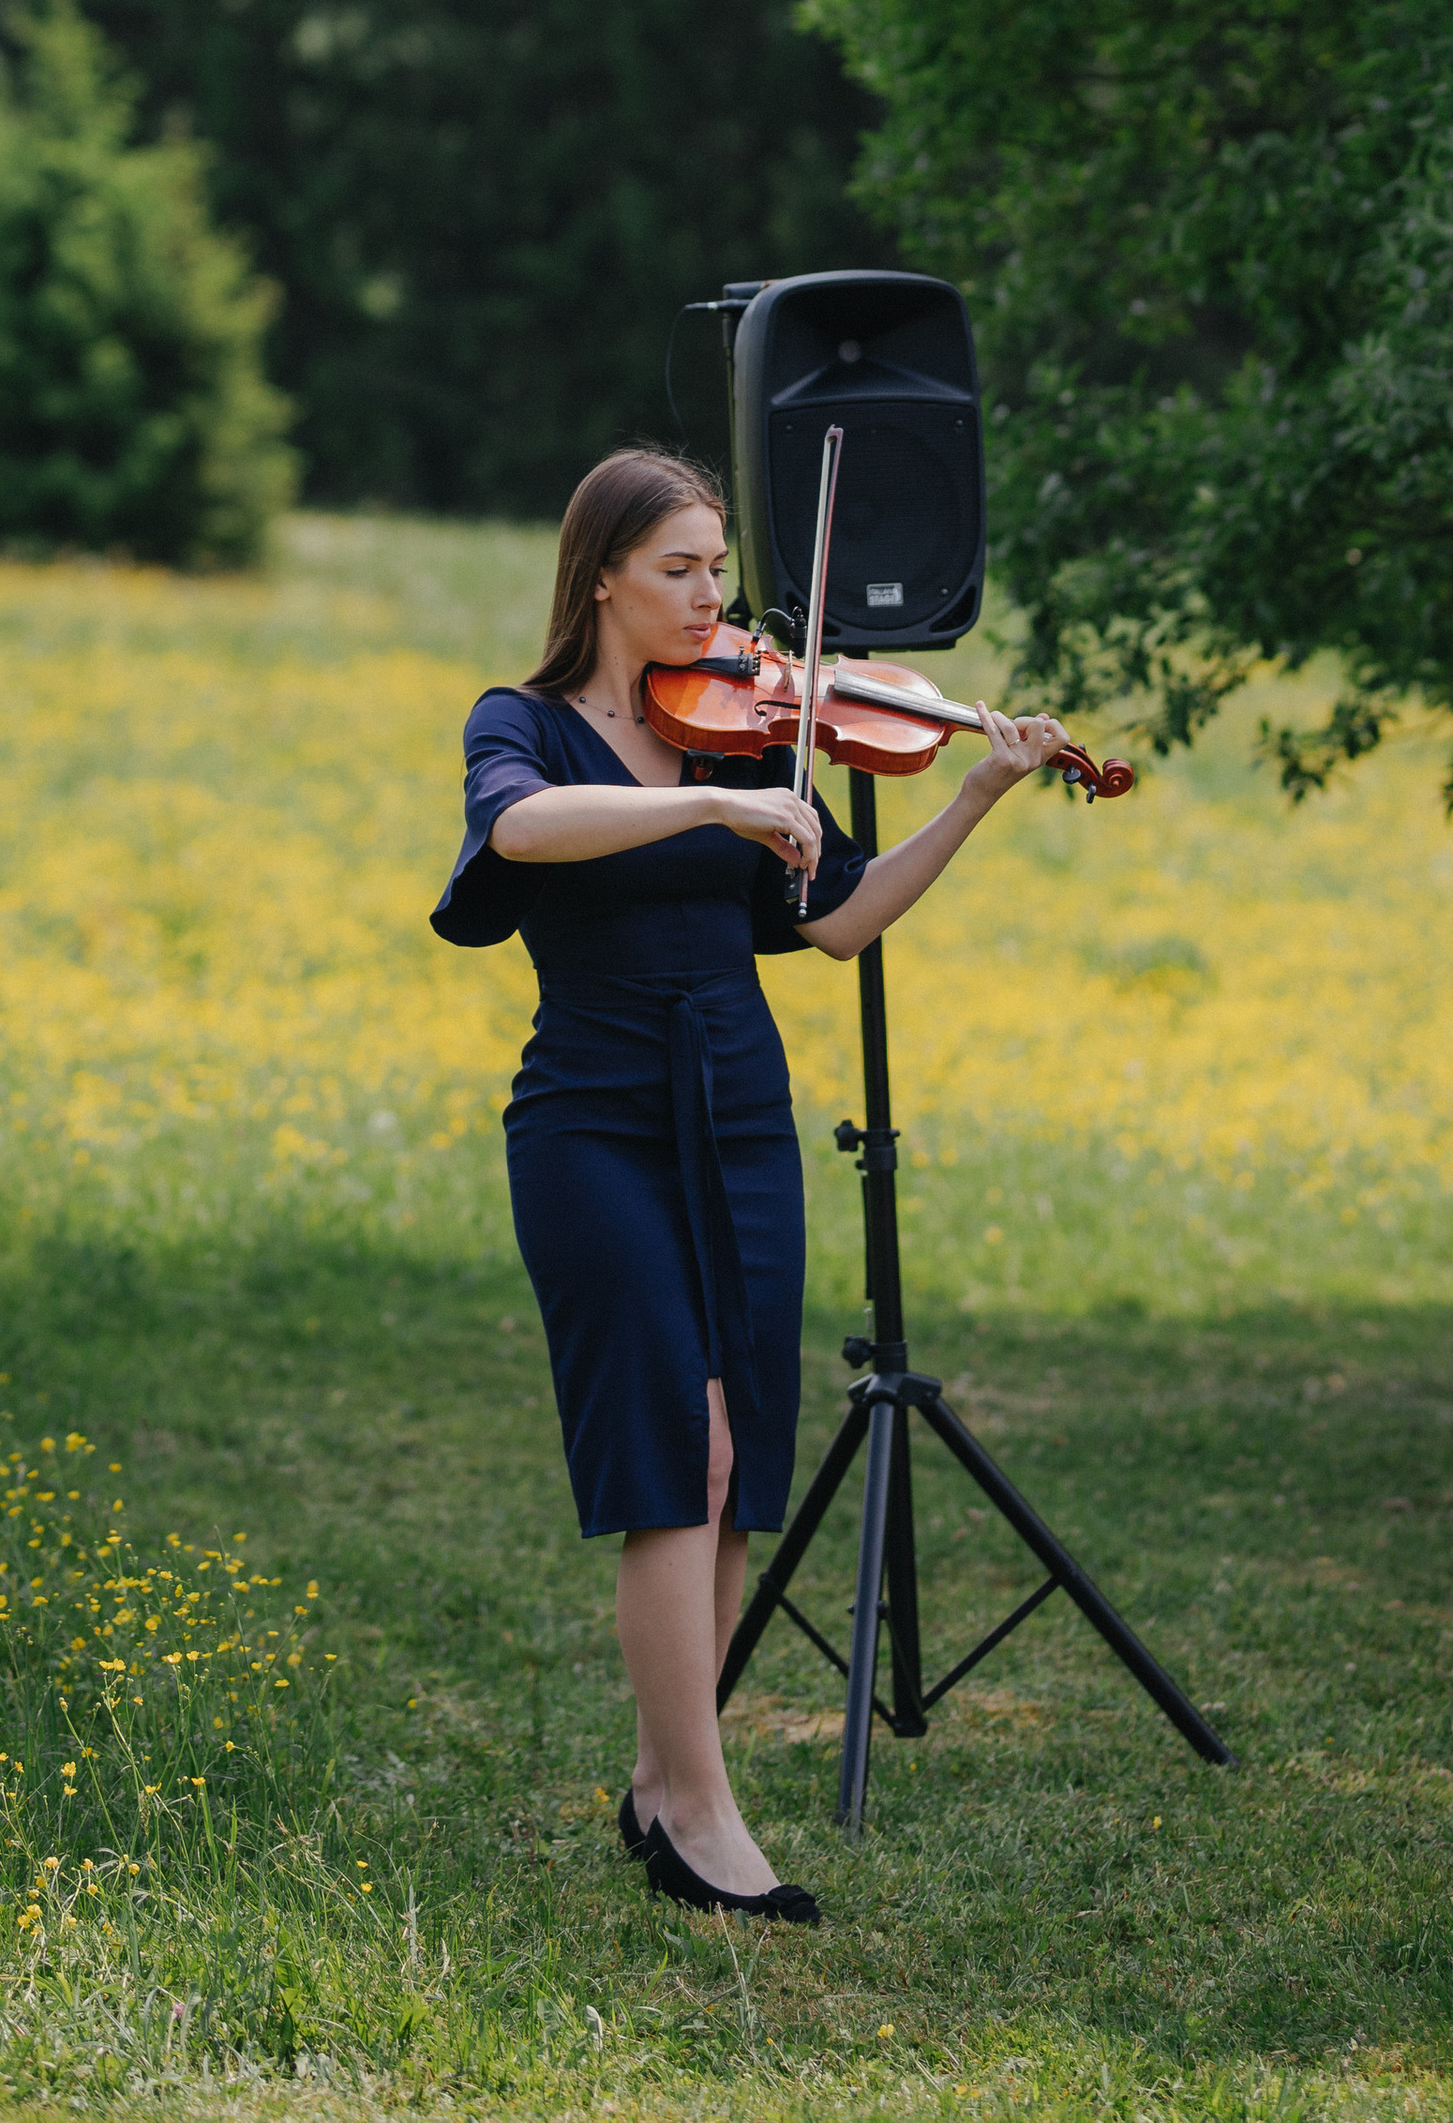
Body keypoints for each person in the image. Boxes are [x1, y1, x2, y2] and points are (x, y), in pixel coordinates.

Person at [433, 443, 1081, 1923]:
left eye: (721, 567)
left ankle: (668, 1782)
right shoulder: (523, 724)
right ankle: (705, 1816)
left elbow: (843, 923)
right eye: (681, 568)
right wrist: (709, 813)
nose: (715, 598)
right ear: (601, 575)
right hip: (592, 1120)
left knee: (733, 1469)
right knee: (667, 1452)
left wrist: (975, 792)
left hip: (736, 1114)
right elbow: (518, 831)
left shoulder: (751, 730)